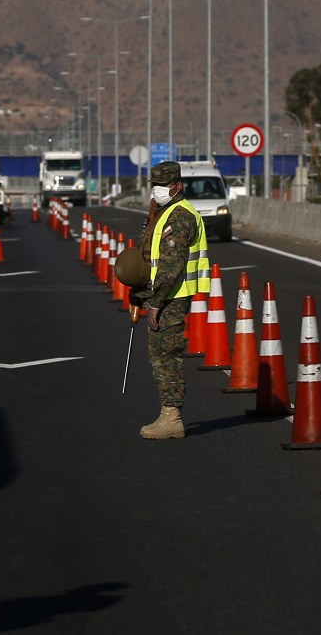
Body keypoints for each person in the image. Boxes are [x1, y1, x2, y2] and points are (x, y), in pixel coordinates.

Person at [131, 161, 210, 439]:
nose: (158, 190)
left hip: (172, 297)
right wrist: (141, 292)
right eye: (155, 185)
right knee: (159, 355)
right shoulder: (162, 213)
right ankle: (168, 413)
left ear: (178, 186)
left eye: (163, 185)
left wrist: (155, 302)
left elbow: (171, 266)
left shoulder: (180, 217)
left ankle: (172, 417)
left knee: (166, 356)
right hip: (163, 294)